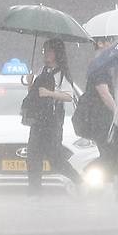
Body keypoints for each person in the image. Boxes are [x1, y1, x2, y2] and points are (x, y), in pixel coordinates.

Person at [26, 38, 81, 195]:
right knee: (33, 156)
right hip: (38, 120)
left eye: (49, 51)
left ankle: (80, 182)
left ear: (57, 53)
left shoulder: (62, 74)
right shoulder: (42, 70)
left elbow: (69, 96)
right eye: (44, 51)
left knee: (55, 159)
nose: (46, 54)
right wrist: (30, 84)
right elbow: (34, 96)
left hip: (52, 122)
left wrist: (50, 93)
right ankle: (35, 192)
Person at [87, 37, 118, 193]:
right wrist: (117, 111)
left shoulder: (105, 65)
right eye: (108, 41)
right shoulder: (98, 66)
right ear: (100, 44)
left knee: (111, 154)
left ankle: (105, 185)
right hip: (101, 119)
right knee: (110, 154)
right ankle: (88, 175)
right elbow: (103, 93)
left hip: (101, 118)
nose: (111, 45)